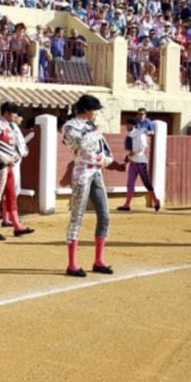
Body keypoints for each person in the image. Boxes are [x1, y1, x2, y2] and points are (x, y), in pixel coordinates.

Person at [61, 94, 112, 277]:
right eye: (95, 109)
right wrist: (96, 132)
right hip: (82, 173)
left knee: (105, 216)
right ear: (86, 110)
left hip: (96, 172)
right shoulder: (70, 126)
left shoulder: (91, 126)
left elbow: (105, 149)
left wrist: (107, 159)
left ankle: (99, 261)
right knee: (77, 217)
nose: (97, 113)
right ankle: (72, 264)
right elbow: (80, 143)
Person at [0, 102, 34, 240]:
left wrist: (16, 156)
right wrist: (7, 159)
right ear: (6, 112)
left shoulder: (10, 127)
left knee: (11, 195)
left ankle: (17, 225)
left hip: (9, 166)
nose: (16, 116)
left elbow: (14, 146)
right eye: (14, 113)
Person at [117, 117, 160, 212]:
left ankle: (156, 200)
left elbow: (143, 146)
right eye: (127, 125)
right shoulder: (129, 135)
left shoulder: (140, 133)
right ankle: (127, 205)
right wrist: (127, 160)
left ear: (134, 125)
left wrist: (134, 152)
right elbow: (128, 150)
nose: (127, 126)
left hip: (140, 161)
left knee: (145, 182)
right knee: (130, 183)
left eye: (129, 125)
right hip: (133, 161)